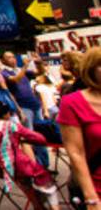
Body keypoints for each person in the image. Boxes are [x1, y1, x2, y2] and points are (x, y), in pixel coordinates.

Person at [0, 100, 60, 209]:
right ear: (5, 114)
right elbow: (40, 139)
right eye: (9, 113)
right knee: (45, 180)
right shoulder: (10, 126)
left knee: (27, 182)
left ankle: (38, 205)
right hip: (12, 166)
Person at [58, 46, 101, 205]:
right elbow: (76, 153)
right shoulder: (72, 102)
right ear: (90, 69)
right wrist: (91, 197)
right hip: (96, 187)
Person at [1, 51, 48, 169]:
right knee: (30, 135)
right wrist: (26, 65)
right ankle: (35, 164)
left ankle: (43, 163)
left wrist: (38, 63)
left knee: (40, 134)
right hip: (23, 106)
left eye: (13, 56)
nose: (12, 59)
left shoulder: (21, 70)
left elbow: (40, 72)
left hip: (35, 105)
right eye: (9, 57)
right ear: (2, 61)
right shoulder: (4, 73)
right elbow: (15, 79)